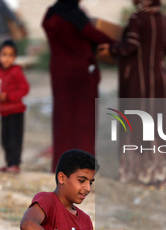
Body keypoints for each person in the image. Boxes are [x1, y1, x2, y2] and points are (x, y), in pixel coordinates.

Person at [107, 0, 166, 187]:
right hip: (159, 79)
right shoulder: (162, 19)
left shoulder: (138, 19)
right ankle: (158, 173)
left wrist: (111, 49)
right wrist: (161, 51)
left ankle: (138, 173)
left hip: (138, 80)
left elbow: (130, 45)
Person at [42, 0, 115, 172]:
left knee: (62, 119)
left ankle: (61, 165)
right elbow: (96, 36)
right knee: (84, 121)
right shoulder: (77, 16)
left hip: (60, 73)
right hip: (82, 75)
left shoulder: (51, 14)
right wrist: (116, 44)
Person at [0, 40, 29, 173]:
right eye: (4, 54)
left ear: (15, 57)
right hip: (4, 112)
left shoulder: (16, 71)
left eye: (11, 55)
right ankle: (9, 163)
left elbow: (24, 88)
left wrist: (9, 96)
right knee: (5, 140)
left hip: (16, 111)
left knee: (15, 139)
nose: (7, 58)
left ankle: (15, 164)